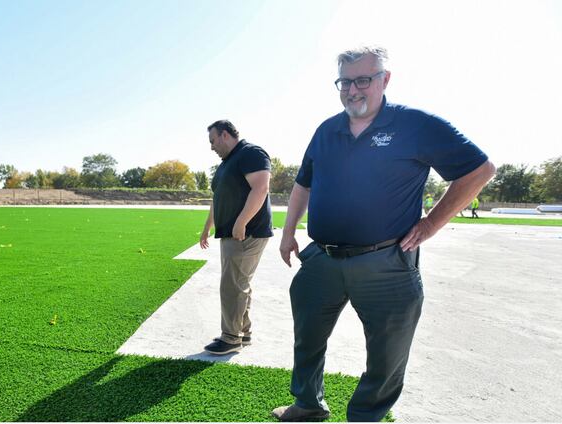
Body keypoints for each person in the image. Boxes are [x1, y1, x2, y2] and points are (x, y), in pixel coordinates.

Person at [273, 46, 495, 422]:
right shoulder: (326, 130)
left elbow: (479, 170)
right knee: (307, 339)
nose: (353, 90)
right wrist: (288, 232)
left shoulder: (416, 124)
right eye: (345, 81)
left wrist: (430, 224)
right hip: (322, 259)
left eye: (363, 80)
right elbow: (302, 185)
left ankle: (366, 416)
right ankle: (307, 405)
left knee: (387, 353)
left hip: (386, 263)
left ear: (384, 80)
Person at [199, 120, 273, 355]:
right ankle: (242, 331)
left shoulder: (250, 153)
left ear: (224, 135)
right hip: (233, 233)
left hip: (246, 233)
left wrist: (241, 222)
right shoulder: (226, 164)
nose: (211, 147)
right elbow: (217, 198)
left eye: (212, 141)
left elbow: (261, 188)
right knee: (239, 283)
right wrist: (207, 227)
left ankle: (231, 338)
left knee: (232, 285)